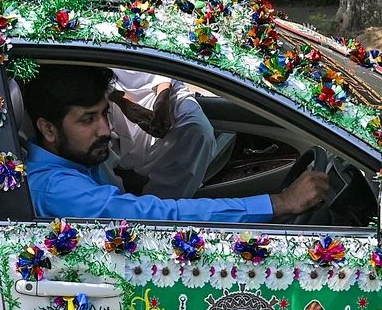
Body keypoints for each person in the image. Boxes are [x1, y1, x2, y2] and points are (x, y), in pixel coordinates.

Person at [25, 64, 327, 222]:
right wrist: (278, 203)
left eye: (105, 114)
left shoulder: (81, 159)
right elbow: (156, 218)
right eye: (87, 120)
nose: (105, 130)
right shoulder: (57, 190)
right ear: (48, 129)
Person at [101, 0, 224, 199]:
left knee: (198, 132)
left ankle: (164, 215)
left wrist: (165, 90)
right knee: (90, 145)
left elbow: (169, 33)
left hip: (161, 81)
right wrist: (118, 99)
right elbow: (88, 49)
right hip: (106, 90)